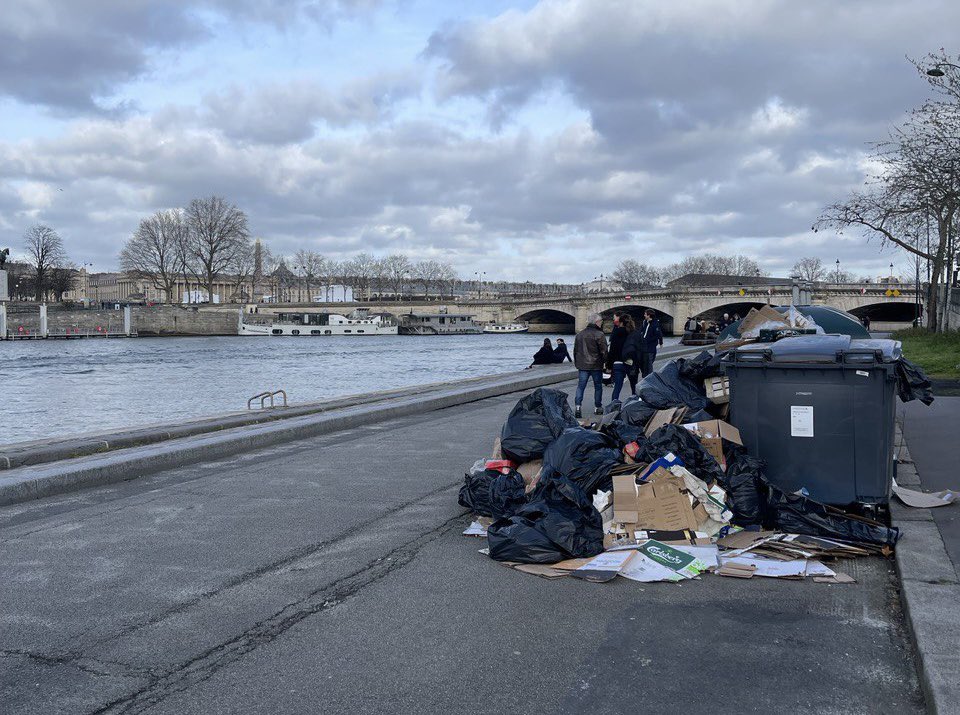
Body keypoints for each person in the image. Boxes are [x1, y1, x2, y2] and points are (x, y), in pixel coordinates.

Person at [573, 313, 607, 418]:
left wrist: (577, 363)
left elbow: (575, 351)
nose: (601, 323)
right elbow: (604, 351)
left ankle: (578, 407)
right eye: (601, 321)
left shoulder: (579, 334)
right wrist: (606, 363)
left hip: (582, 365)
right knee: (598, 387)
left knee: (581, 387)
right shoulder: (599, 334)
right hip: (596, 365)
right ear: (597, 322)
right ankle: (597, 407)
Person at [624, 309, 663, 379]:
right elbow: (641, 331)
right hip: (643, 347)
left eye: (645, 314)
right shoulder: (644, 322)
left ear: (649, 315)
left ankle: (650, 379)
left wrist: (661, 342)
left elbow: (658, 334)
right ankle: (645, 378)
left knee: (649, 364)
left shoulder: (655, 324)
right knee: (643, 364)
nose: (644, 315)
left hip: (650, 348)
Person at [606, 313, 634, 402]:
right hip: (630, 363)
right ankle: (634, 405)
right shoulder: (633, 334)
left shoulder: (616, 334)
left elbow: (612, 351)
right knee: (634, 386)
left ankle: (614, 405)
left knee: (617, 387)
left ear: (620, 322)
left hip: (617, 363)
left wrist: (609, 366)